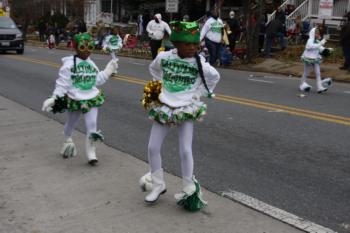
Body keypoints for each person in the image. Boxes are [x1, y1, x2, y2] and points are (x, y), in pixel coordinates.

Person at [139, 21, 220, 211]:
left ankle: (188, 189)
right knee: (152, 147)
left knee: (185, 149)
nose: (193, 47)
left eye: (195, 44)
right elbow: (154, 69)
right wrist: (160, 86)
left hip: (185, 108)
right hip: (165, 105)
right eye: (187, 44)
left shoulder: (200, 62)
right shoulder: (165, 57)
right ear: (176, 44)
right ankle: (158, 184)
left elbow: (214, 77)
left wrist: (197, 93)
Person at [41, 33, 118, 166]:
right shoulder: (69, 65)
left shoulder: (92, 64)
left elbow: (96, 80)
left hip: (91, 98)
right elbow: (62, 84)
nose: (87, 50)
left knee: (92, 125)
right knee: (71, 123)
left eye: (90, 46)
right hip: (75, 98)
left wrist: (108, 70)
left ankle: (91, 153)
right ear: (76, 47)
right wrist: (54, 98)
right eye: (83, 46)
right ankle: (67, 139)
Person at [299, 27, 333, 93]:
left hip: (315, 59)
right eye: (316, 33)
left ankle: (319, 87)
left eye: (318, 33)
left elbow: (321, 49)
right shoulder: (310, 40)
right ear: (313, 34)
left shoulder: (317, 41)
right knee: (306, 72)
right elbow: (311, 46)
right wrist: (320, 43)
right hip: (308, 58)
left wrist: (328, 50)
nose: (318, 34)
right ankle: (301, 84)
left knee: (318, 73)